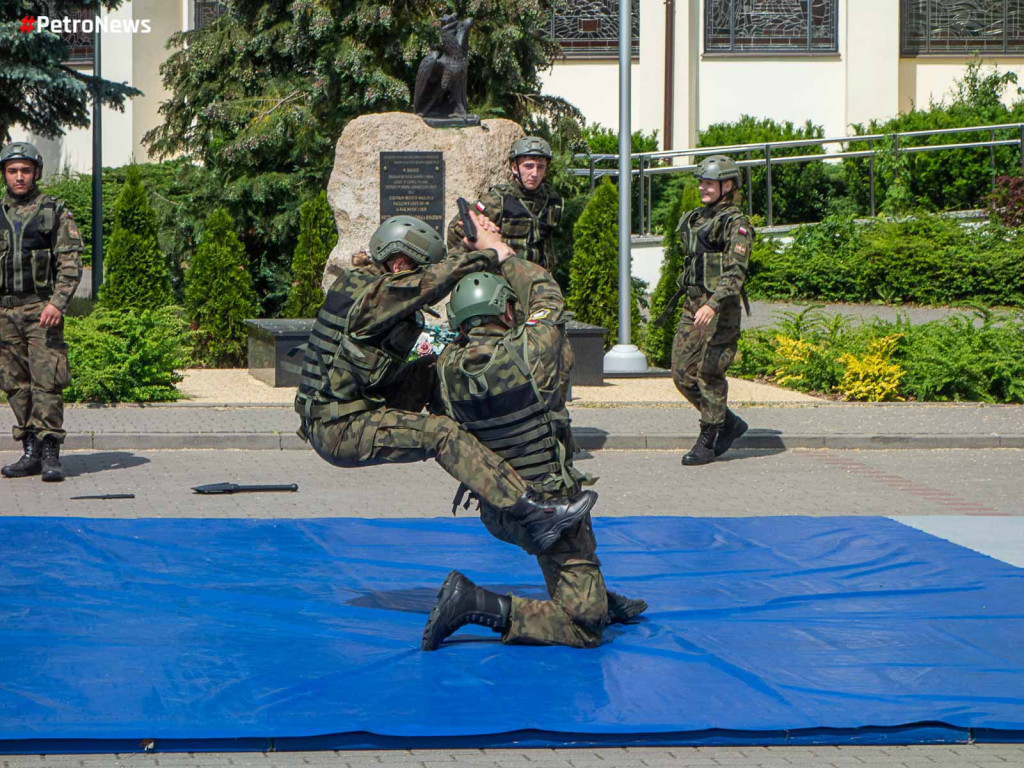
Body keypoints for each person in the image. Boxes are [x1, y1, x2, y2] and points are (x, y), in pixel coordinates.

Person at [294, 213, 597, 554]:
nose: (420, 277)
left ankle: (487, 451)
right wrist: (492, 254)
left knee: (436, 370)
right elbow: (433, 280)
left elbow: (434, 274)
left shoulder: (362, 285)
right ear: (397, 264)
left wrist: (468, 240)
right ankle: (529, 510)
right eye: (415, 268)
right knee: (439, 433)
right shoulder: (372, 298)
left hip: (358, 403)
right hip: (339, 428)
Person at [422, 256, 646, 651]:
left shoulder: (443, 373)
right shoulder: (530, 350)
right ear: (508, 311)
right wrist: (504, 252)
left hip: (500, 511)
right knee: (585, 627)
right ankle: (474, 602)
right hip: (550, 511)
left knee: (577, 562)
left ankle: (596, 593)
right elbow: (548, 299)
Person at [657, 154, 753, 466]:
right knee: (682, 374)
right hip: (692, 304)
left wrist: (713, 304)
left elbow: (735, 273)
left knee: (710, 374)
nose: (702, 187)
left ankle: (709, 439)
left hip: (719, 309)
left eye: (709, 183)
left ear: (728, 186)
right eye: (701, 182)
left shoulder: (737, 226)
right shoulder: (696, 219)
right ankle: (728, 422)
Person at [0, 142, 84, 482]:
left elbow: (71, 262)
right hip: (5, 311)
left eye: (25, 170)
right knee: (15, 383)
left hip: (41, 310)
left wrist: (57, 303)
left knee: (46, 382)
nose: (19, 177)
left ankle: (51, 452)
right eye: (12, 170)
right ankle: (30, 451)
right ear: (4, 175)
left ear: (36, 172)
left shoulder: (54, 211)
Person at [446, 136, 562, 270]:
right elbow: (457, 228)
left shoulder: (552, 200)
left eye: (540, 167)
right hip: (506, 279)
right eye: (528, 166)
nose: (535, 173)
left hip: (541, 281)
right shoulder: (497, 200)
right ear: (514, 167)